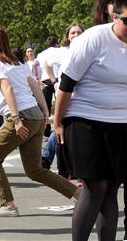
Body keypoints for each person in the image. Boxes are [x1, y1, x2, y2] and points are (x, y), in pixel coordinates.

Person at [53, 0, 127, 241]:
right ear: (115, 16)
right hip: (85, 118)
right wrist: (57, 123)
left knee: (112, 188)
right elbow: (67, 83)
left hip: (122, 122)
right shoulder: (93, 38)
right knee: (95, 186)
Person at [0, 27, 78, 218]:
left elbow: (7, 88)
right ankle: (78, 193)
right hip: (34, 113)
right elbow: (35, 85)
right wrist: (44, 114)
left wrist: (16, 119)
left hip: (20, 116)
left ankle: (7, 205)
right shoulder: (17, 63)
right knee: (35, 170)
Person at [42, 23, 84, 179]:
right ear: (68, 36)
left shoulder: (88, 50)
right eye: (72, 32)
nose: (76, 34)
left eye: (79, 32)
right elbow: (46, 63)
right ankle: (51, 160)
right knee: (62, 128)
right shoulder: (61, 52)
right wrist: (54, 82)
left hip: (82, 98)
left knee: (66, 129)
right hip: (65, 96)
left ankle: (48, 158)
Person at [36, 36, 61, 137]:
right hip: (57, 79)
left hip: (45, 80)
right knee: (60, 105)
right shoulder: (60, 51)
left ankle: (45, 132)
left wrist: (39, 80)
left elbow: (37, 70)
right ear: (57, 43)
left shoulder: (41, 54)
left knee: (45, 106)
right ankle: (60, 126)